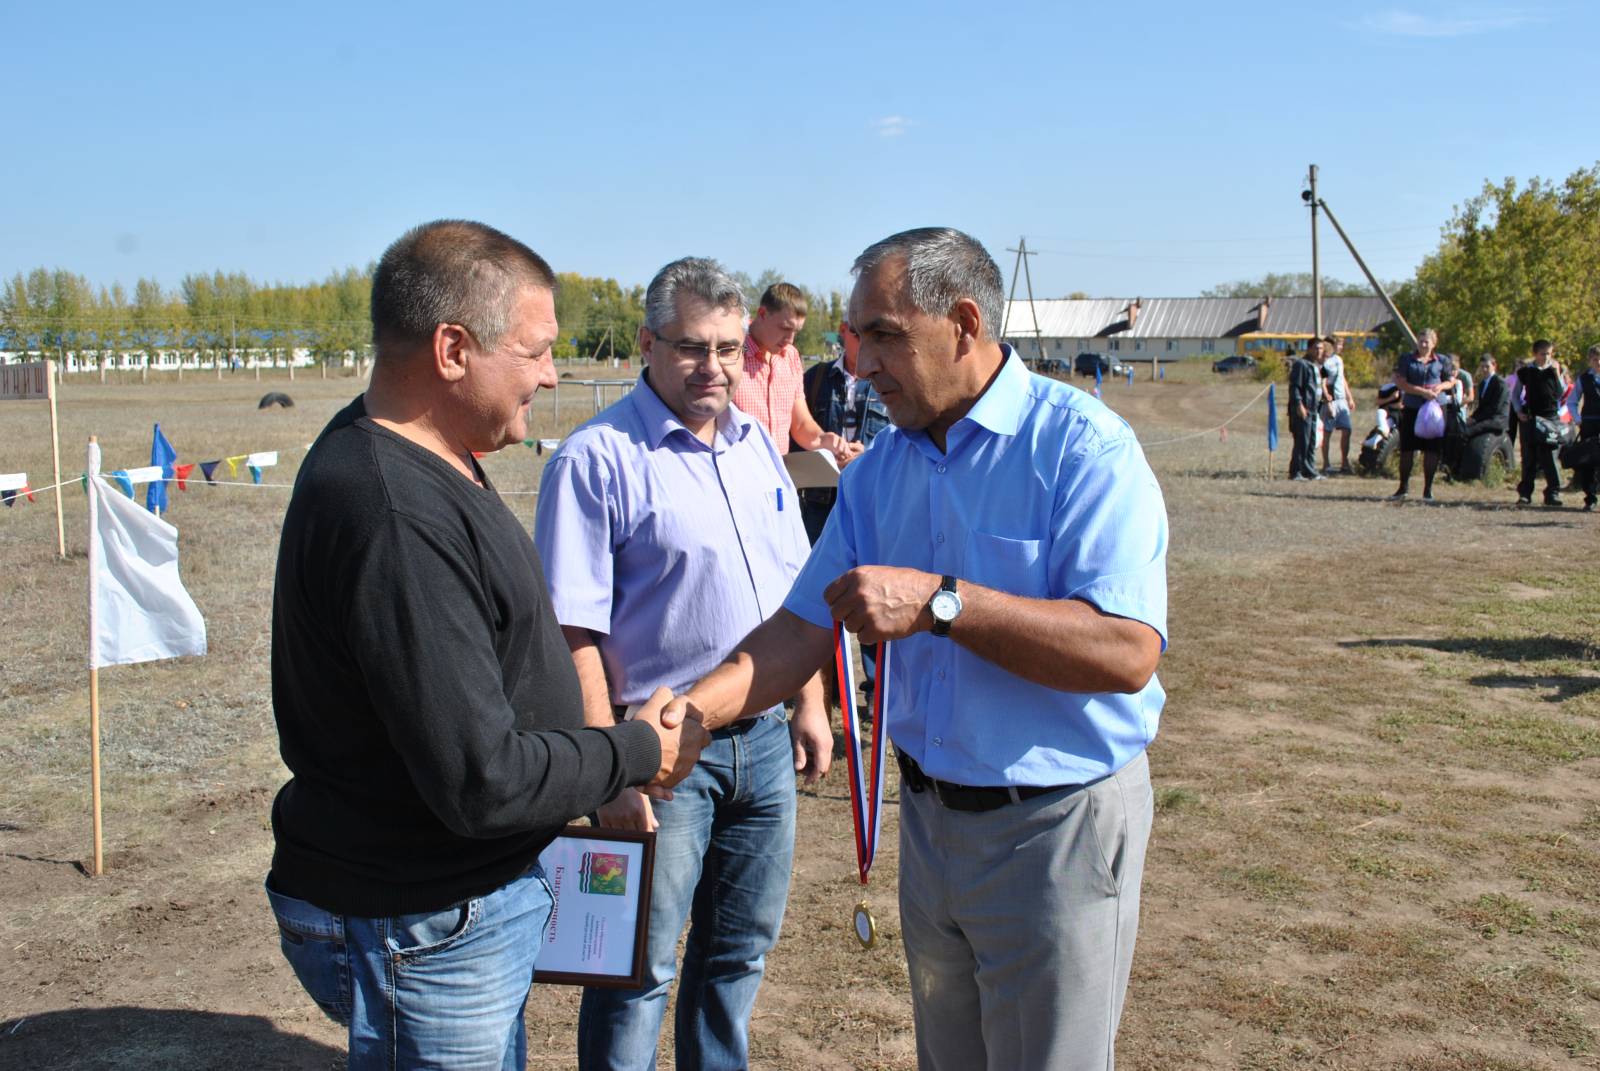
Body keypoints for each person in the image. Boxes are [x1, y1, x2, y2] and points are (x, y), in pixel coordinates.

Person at [665, 227, 1167, 1070]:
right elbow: (800, 629)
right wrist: (688, 715)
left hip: (1055, 829)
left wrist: (943, 602)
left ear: (964, 323)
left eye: (885, 335)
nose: (859, 365)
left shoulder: (1083, 448)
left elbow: (1125, 652)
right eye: (858, 338)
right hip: (931, 825)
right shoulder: (878, 471)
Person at [265, 220, 709, 1071]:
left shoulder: (426, 453)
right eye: (536, 350)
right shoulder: (393, 512)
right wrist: (632, 752)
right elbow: (482, 780)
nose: (551, 373)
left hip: (459, 906)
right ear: (452, 348)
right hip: (426, 919)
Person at [533, 257, 831, 1071]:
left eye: (730, 348)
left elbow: (795, 595)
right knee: (639, 967)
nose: (716, 367)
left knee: (738, 955)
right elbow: (573, 635)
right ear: (647, 344)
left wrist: (810, 702)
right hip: (661, 757)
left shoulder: (756, 449)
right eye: (694, 347)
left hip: (762, 740)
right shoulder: (595, 461)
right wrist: (610, 770)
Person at [735, 282, 855, 466]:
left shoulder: (790, 357)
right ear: (762, 314)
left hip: (779, 476)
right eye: (785, 328)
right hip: (738, 473)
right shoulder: (731, 352)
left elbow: (800, 425)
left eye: (796, 331)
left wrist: (824, 440)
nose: (790, 339)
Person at [796, 319, 892, 543]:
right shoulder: (815, 378)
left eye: (874, 335)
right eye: (857, 334)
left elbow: (906, 438)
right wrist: (823, 449)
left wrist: (870, 452)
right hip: (820, 505)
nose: (864, 343)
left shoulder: (889, 382)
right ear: (842, 331)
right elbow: (797, 433)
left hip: (872, 499)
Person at [1389, 328, 1455, 502]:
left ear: (1434, 343)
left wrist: (1439, 387)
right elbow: (1401, 381)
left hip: (1435, 410)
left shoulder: (1442, 360)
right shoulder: (1407, 360)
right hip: (1412, 407)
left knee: (1432, 449)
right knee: (1407, 448)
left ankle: (1428, 489)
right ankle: (1403, 487)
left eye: (1427, 341)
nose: (1423, 344)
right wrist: (1420, 391)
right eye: (1421, 341)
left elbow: (1450, 380)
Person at [1513, 338, 1568, 506]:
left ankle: (1553, 493)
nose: (1546, 357)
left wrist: (1557, 373)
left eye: (1549, 354)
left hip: (1550, 419)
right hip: (1531, 418)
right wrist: (1518, 412)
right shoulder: (1526, 372)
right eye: (1543, 354)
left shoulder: (1553, 370)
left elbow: (1560, 393)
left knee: (1549, 458)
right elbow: (1515, 395)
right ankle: (1525, 494)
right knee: (1528, 458)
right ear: (1535, 354)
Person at [1567, 344, 1599, 511]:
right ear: (1590, 361)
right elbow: (1572, 401)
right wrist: (1577, 419)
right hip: (1590, 423)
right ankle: (1590, 498)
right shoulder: (1584, 379)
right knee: (1589, 462)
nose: (1598, 362)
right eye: (1595, 359)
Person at [1319, 334, 1356, 474]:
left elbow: (1342, 378)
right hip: (1330, 400)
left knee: (1347, 430)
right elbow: (1323, 384)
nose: (1340, 347)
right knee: (1327, 433)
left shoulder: (1339, 360)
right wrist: (1328, 402)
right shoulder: (1324, 362)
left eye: (1341, 345)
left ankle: (1344, 462)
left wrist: (1349, 397)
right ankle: (1326, 464)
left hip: (1342, 400)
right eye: (1338, 344)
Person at [1287, 342, 1323, 480]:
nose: (1319, 351)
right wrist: (1299, 405)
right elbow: (1295, 387)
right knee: (1302, 440)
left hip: (1314, 409)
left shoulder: (1315, 365)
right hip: (1303, 408)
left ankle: (1309, 470)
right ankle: (1296, 472)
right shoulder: (1301, 364)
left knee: (1311, 441)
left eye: (1320, 348)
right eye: (1316, 348)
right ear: (1309, 349)